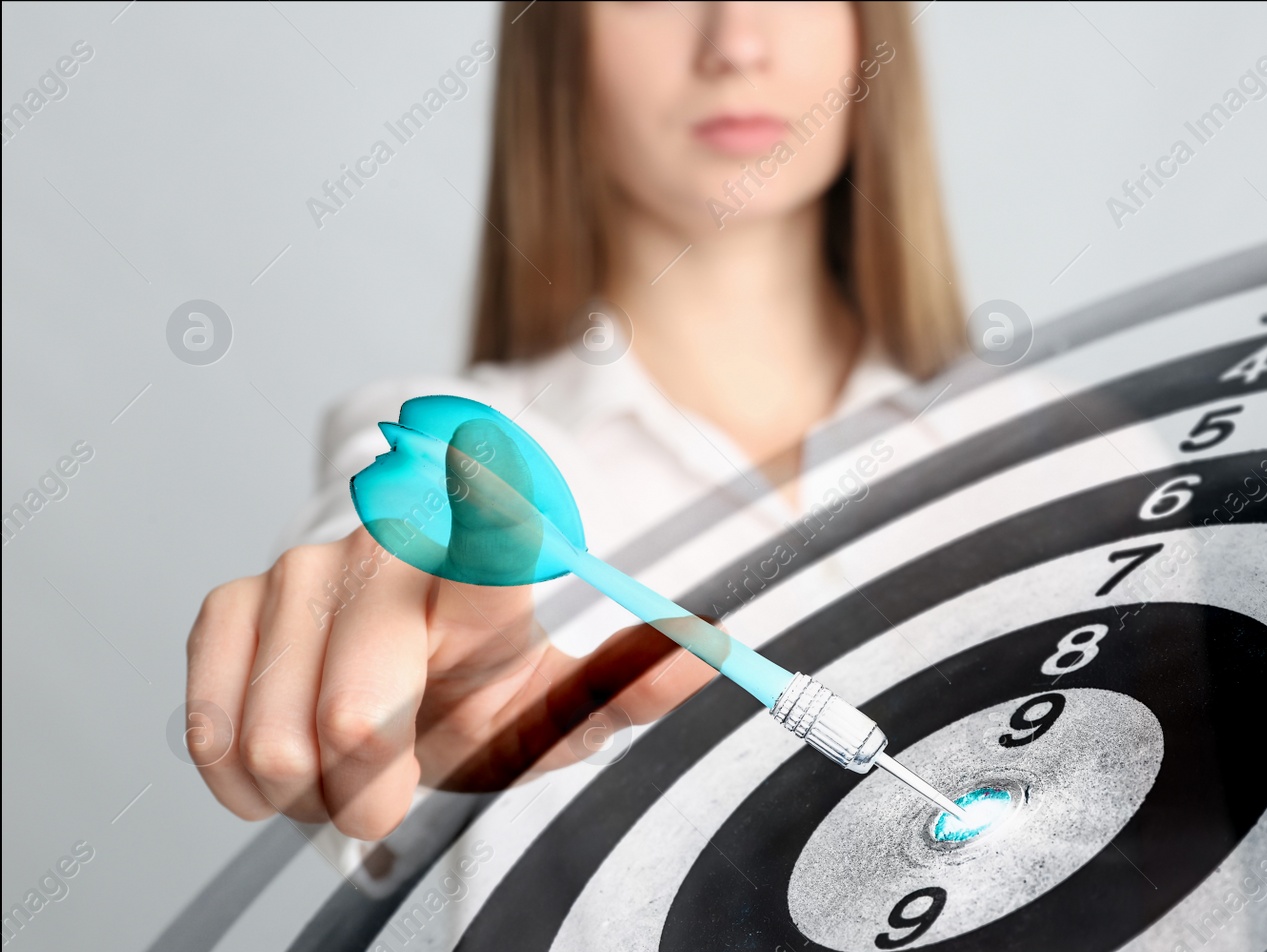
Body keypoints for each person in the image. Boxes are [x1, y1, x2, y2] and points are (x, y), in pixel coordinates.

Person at [186, 0, 965, 845]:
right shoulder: (469, 451)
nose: (736, 43)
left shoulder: (1080, 448)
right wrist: (380, 637)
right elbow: (396, 528)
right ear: (557, 38)